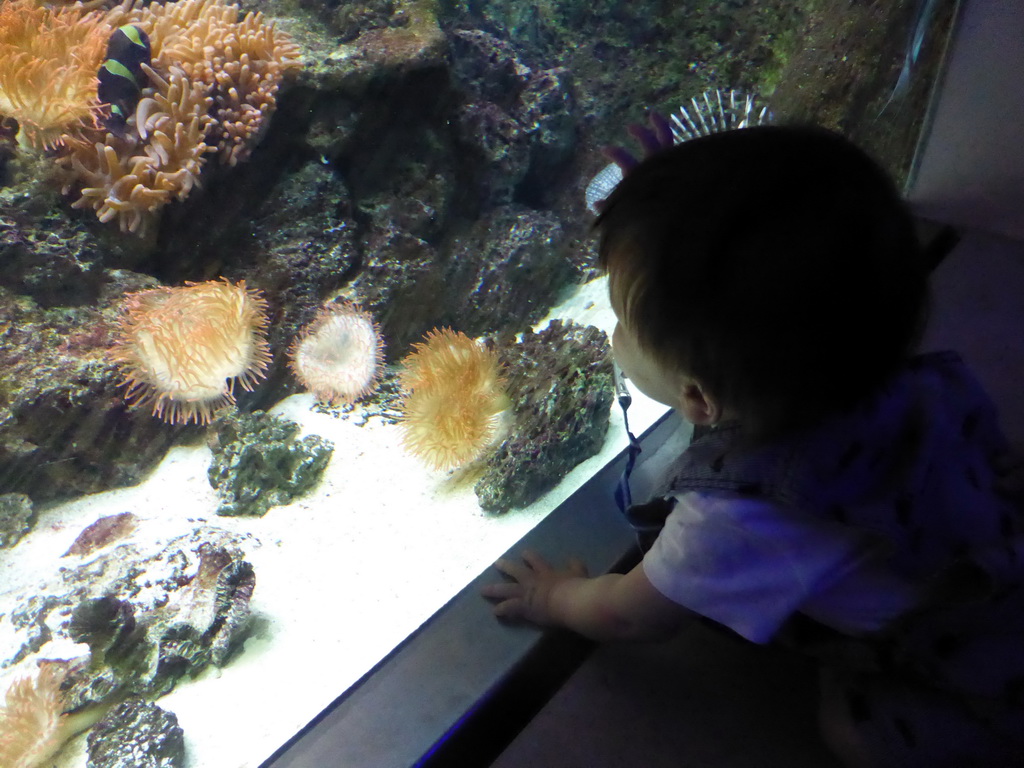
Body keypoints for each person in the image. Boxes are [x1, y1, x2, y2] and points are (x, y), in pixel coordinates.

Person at [481, 125, 1024, 768]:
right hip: (996, 558)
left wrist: (557, 599)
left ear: (699, 400)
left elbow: (635, 617)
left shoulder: (739, 515)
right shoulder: (925, 379)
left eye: (625, 323)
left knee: (853, 731)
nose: (617, 333)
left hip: (976, 680)